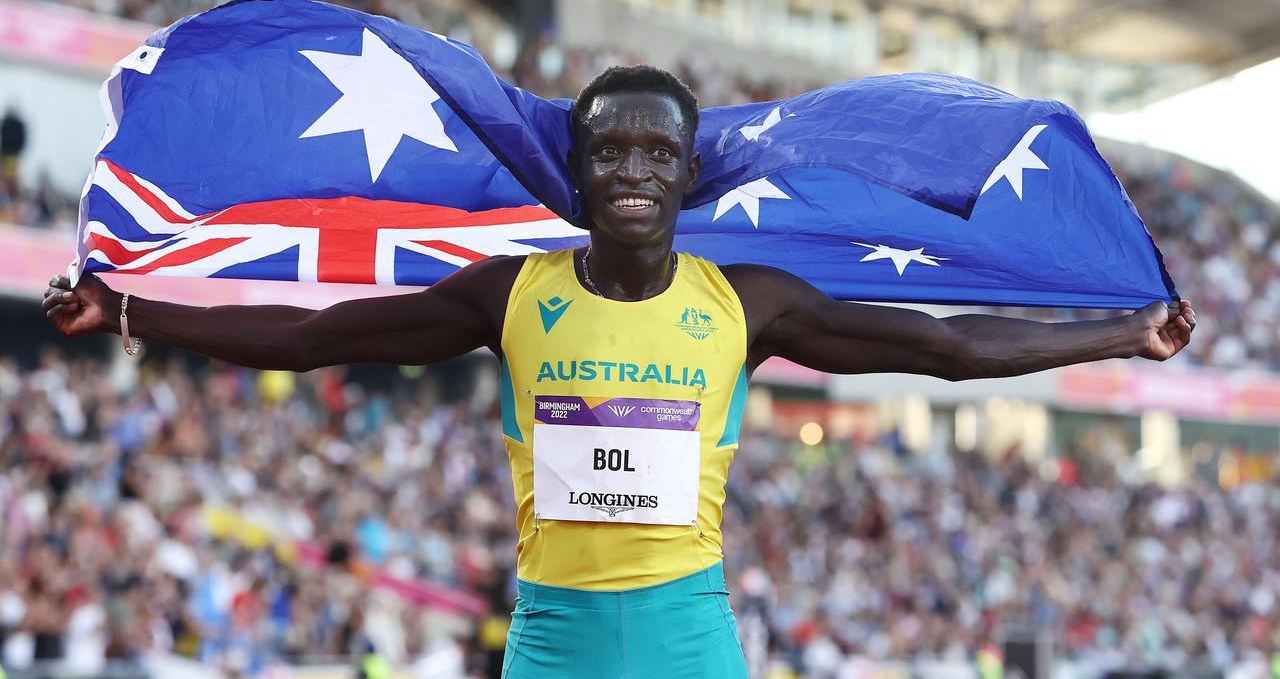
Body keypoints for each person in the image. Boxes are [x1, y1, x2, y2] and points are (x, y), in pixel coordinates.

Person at [43, 65, 1196, 678]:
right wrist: (135, 307)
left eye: (656, 150)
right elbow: (310, 337)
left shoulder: (745, 306)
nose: (633, 167)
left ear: (688, 173)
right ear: (580, 168)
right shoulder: (515, 297)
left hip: (689, 639)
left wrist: (1118, 334)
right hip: (551, 639)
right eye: (610, 148)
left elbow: (946, 351)